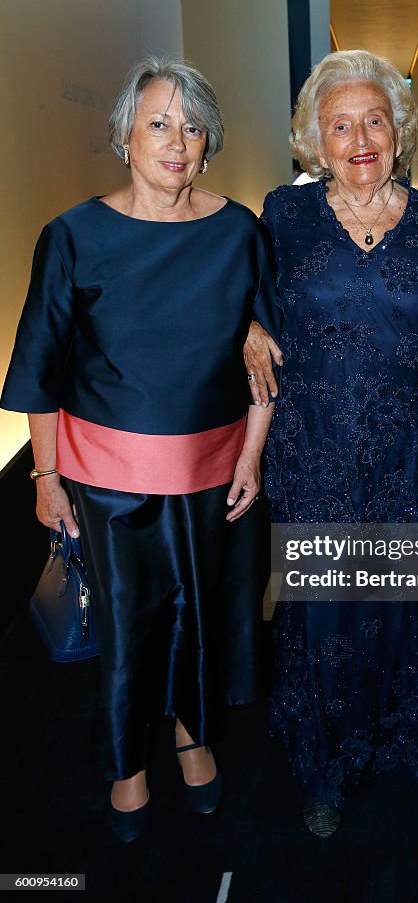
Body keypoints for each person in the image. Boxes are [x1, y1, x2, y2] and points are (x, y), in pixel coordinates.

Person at [1, 56, 279, 842]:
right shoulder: (73, 235)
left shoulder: (238, 232)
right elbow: (38, 368)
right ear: (125, 136)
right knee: (129, 627)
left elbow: (266, 357)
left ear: (209, 142)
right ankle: (126, 765)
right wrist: (46, 475)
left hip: (215, 474)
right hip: (107, 481)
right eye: (158, 122)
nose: (176, 140)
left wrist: (253, 456)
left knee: (205, 616)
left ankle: (194, 741)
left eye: (193, 127)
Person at [248, 49, 418, 837]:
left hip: (410, 455)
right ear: (314, 139)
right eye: (340, 124)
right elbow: (248, 298)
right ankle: (324, 768)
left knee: (399, 605)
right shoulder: (282, 215)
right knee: (325, 610)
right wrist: (247, 331)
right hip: (314, 450)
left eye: (374, 119)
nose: (359, 137)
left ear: (398, 132)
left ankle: (401, 741)